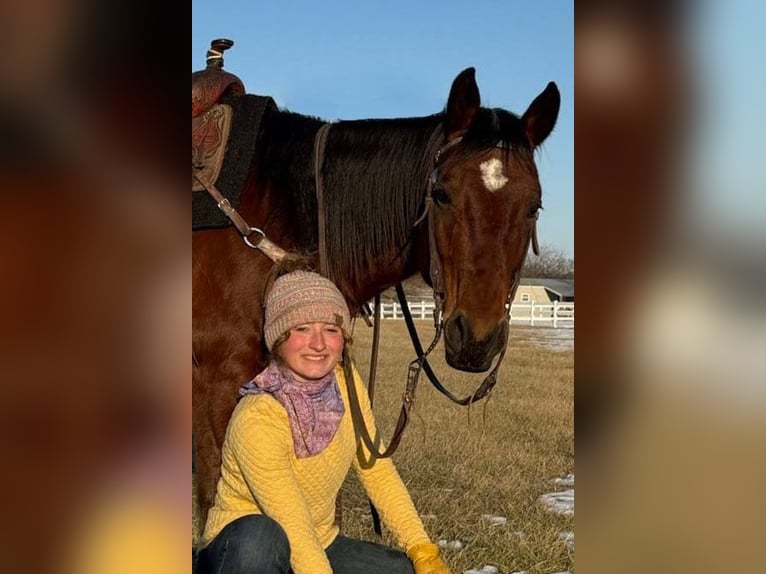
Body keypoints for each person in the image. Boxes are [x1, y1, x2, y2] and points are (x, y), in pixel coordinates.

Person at [197, 266, 451, 574]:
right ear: (278, 339)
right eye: (301, 329)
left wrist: (420, 547)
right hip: (242, 552)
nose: (318, 344)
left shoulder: (346, 385)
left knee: (401, 569)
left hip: (319, 540)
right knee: (261, 537)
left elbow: (377, 470)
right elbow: (290, 519)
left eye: (330, 330)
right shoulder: (258, 416)